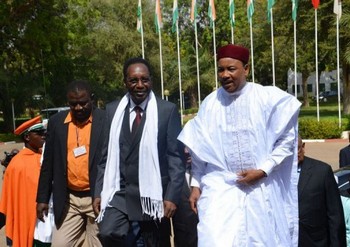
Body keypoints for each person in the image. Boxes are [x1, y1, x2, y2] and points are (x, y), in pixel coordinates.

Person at [177, 44, 301, 246]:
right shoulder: (210, 103)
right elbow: (201, 150)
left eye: (231, 69)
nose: (225, 75)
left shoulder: (267, 98)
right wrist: (196, 185)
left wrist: (263, 170)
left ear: (246, 69)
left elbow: (286, 141)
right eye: (220, 69)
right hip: (220, 189)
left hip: (260, 189)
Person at [93, 57, 185, 246]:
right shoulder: (112, 111)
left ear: (151, 80)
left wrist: (172, 196)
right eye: (134, 80)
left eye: (145, 79)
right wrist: (98, 192)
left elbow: (176, 158)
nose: (140, 85)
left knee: (153, 243)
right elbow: (104, 157)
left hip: (153, 195)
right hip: (120, 193)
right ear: (125, 82)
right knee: (107, 233)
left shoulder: (166, 110)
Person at [36, 80, 105, 246]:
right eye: (73, 104)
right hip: (69, 201)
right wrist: (42, 198)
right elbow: (48, 163)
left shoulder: (105, 120)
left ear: (92, 99)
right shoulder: (57, 122)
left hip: (96, 200)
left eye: (83, 103)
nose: (78, 108)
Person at [0, 116, 47, 247]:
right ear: (27, 137)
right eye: (39, 133)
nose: (44, 136)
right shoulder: (18, 164)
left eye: (44, 133)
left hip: (45, 220)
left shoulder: (43, 156)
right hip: (27, 219)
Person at [298, 136, 346, 246]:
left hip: (316, 242)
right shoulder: (274, 175)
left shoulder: (322, 171)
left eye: (297, 148)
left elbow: (335, 216)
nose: (294, 153)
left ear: (303, 146)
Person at [172, 147, 198, 247]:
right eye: (183, 146)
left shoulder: (214, 175)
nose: (186, 151)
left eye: (190, 147)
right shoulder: (173, 179)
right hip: (184, 239)